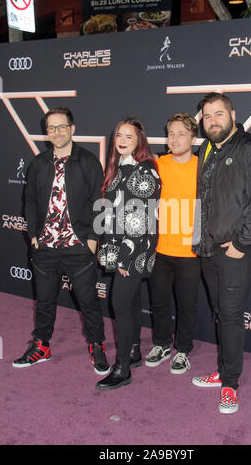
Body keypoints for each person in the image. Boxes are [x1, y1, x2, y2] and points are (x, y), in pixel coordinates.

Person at [191, 93, 251, 414]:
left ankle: (230, 384)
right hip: (207, 248)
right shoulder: (207, 149)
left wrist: (241, 244)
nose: (212, 120)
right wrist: (200, 240)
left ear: (233, 114)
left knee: (230, 315)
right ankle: (224, 369)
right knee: (221, 312)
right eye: (207, 115)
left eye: (218, 114)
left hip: (236, 250)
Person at [13, 107, 110, 376]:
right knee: (44, 301)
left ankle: (96, 345)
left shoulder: (89, 162)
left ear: (72, 129)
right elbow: (30, 201)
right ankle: (42, 346)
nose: (57, 132)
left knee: (89, 302)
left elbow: (101, 203)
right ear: (47, 133)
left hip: (78, 247)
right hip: (45, 247)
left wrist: (92, 239)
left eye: (62, 127)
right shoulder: (38, 163)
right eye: (52, 128)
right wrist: (32, 234)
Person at [96, 117, 161, 391]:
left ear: (139, 141)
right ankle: (133, 351)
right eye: (119, 135)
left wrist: (124, 257)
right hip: (119, 246)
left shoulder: (145, 171)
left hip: (134, 249)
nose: (122, 140)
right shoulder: (118, 167)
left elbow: (140, 219)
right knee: (132, 301)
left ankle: (122, 367)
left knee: (119, 304)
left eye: (129, 136)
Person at [145, 113, 201, 374]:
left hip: (190, 250)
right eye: (171, 133)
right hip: (160, 249)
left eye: (181, 133)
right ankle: (161, 344)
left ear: (193, 137)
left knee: (187, 304)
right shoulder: (156, 164)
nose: (175, 139)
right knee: (159, 301)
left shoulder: (203, 167)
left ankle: (184, 351)